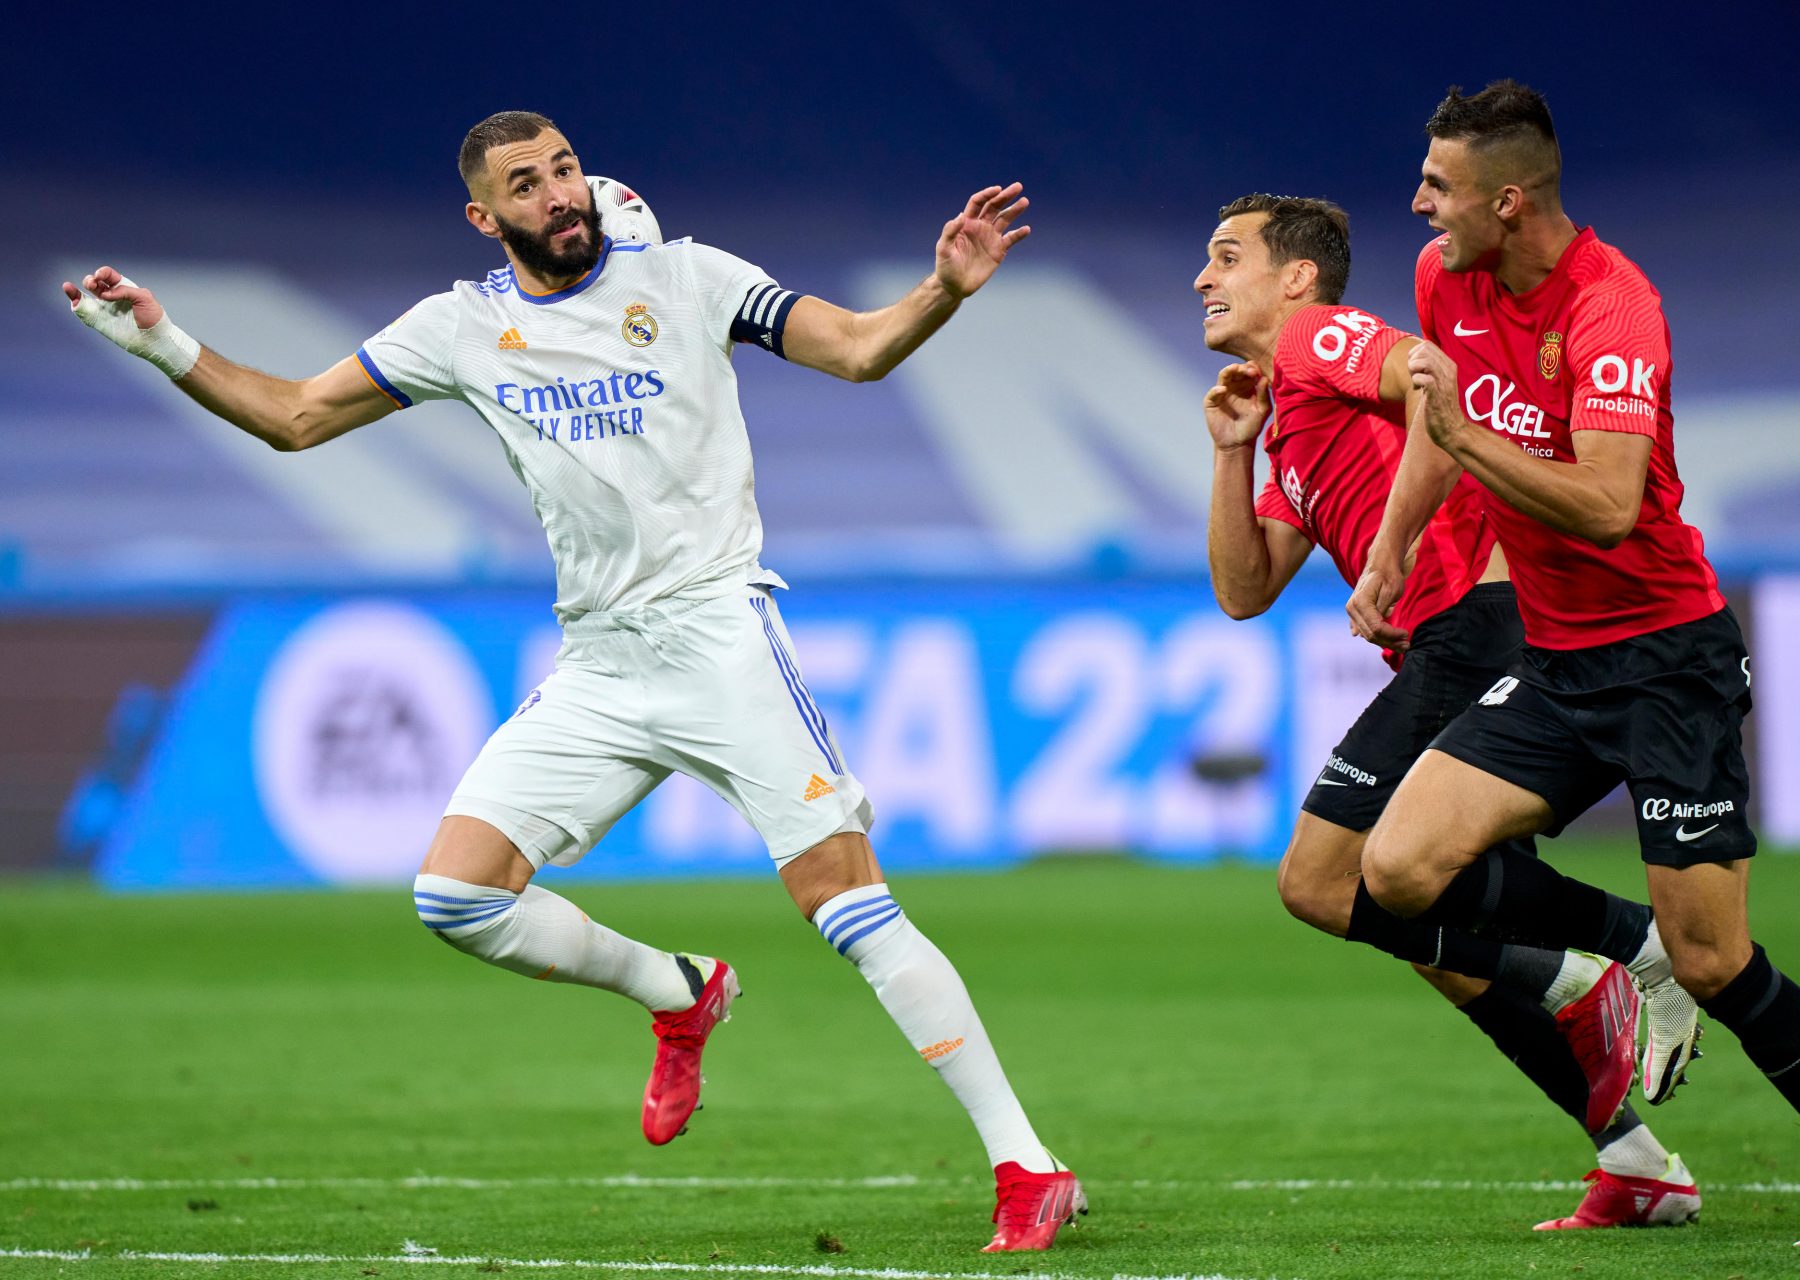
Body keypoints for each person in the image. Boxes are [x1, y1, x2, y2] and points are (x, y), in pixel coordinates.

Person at [62, 109, 1086, 1254]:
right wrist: (160, 340)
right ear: (484, 215)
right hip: (600, 659)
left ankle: (1027, 1164)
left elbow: (853, 346)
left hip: (718, 636)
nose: (558, 194)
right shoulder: (464, 326)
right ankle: (677, 988)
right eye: (526, 184)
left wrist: (942, 290)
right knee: (454, 897)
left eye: (563, 170)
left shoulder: (694, 280)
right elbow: (295, 417)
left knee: (846, 904)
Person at [1348, 80, 1800, 1249]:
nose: (1418, 204)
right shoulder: (1443, 280)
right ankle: (1632, 952)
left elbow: (1608, 505)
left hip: (1667, 662)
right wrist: (1393, 548)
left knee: (1719, 956)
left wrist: (1466, 436)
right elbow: (1434, 436)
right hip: (1556, 657)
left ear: (1509, 200)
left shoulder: (1615, 308)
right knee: (1398, 869)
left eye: (1439, 187)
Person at [1197, 193, 1698, 1230]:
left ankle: (1604, 955)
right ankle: (1634, 1156)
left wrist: (1390, 543)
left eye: (1226, 256)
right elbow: (1246, 589)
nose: (1204, 278)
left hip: (1481, 613)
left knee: (1324, 880)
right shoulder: (1289, 410)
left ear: (1297, 277)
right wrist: (1233, 449)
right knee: (1420, 925)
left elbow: (1434, 373)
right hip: (1445, 634)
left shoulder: (1315, 335)